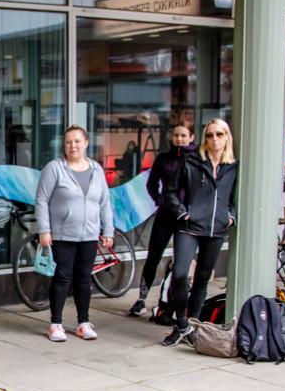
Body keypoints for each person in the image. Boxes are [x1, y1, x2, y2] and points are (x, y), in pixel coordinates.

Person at [161, 118, 237, 346]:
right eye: (210, 135)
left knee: (203, 279)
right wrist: (183, 212)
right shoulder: (191, 161)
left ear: (227, 138)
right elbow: (171, 191)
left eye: (219, 135)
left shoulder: (233, 166)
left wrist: (231, 216)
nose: (214, 139)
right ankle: (181, 322)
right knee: (180, 274)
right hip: (189, 227)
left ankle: (190, 326)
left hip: (215, 229)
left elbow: (235, 198)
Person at [35, 125, 114, 342]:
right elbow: (41, 200)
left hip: (89, 234)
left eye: (77, 141)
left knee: (83, 279)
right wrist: (44, 230)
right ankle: (56, 323)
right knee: (62, 277)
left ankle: (83, 322)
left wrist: (108, 230)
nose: (73, 146)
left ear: (86, 143)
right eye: (69, 142)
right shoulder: (54, 168)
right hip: (62, 234)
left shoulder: (96, 169)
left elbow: (105, 202)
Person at [130, 123, 195, 317]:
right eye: (176, 135)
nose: (179, 139)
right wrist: (160, 200)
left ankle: (175, 303)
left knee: (183, 260)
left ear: (191, 137)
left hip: (187, 217)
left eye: (183, 135)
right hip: (165, 214)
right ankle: (141, 299)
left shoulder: (197, 159)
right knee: (153, 257)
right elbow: (151, 184)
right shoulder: (163, 158)